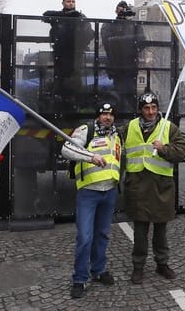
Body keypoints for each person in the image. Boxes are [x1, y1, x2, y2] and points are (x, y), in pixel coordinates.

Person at [122, 92, 185, 284]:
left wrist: (164, 149)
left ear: (158, 108)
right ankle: (138, 266)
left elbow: (183, 151)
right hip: (137, 187)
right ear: (140, 110)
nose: (151, 112)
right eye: (146, 108)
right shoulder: (130, 127)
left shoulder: (168, 127)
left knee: (161, 231)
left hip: (161, 187)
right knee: (140, 231)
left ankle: (162, 264)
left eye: (153, 108)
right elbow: (113, 141)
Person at [61, 103, 121, 299]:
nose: (107, 117)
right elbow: (66, 149)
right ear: (98, 116)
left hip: (109, 191)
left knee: (102, 235)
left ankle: (99, 270)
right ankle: (79, 278)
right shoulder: (86, 130)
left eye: (111, 115)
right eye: (104, 114)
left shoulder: (116, 134)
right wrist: (89, 156)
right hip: (89, 192)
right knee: (85, 237)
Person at [43, 0, 94, 110]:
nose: (71, 4)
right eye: (68, 1)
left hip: (75, 56)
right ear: (63, 2)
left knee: (74, 84)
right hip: (60, 56)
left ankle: (73, 106)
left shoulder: (80, 18)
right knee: (59, 82)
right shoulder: (58, 17)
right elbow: (45, 16)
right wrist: (65, 16)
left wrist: (77, 22)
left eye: (73, 1)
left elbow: (90, 34)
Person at [101, 0, 146, 112]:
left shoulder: (134, 26)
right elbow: (108, 42)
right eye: (121, 9)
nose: (122, 12)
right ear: (116, 10)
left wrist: (128, 24)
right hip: (116, 68)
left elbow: (142, 41)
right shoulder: (110, 25)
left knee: (130, 96)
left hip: (130, 67)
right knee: (118, 96)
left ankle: (129, 115)